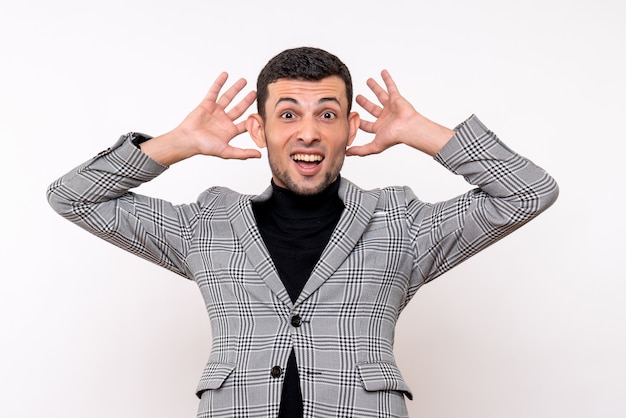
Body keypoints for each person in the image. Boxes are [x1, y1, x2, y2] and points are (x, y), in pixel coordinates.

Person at [47, 47, 559, 418]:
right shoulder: (207, 225)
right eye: (287, 114)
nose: (308, 132)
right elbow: (73, 197)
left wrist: (422, 133)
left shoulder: (401, 223)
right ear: (259, 129)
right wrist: (178, 142)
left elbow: (528, 192)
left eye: (328, 115)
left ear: (350, 128)